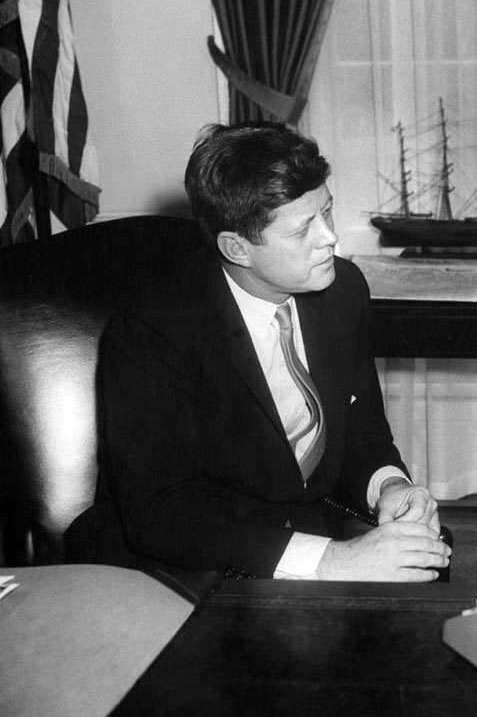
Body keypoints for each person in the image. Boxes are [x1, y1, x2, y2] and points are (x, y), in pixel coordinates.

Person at [78, 121, 449, 582]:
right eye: (302, 231)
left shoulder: (343, 291)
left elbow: (359, 430)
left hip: (306, 540)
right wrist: (334, 561)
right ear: (237, 248)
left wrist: (389, 485)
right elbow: (162, 512)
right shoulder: (152, 329)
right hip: (182, 571)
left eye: (326, 212)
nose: (329, 238)